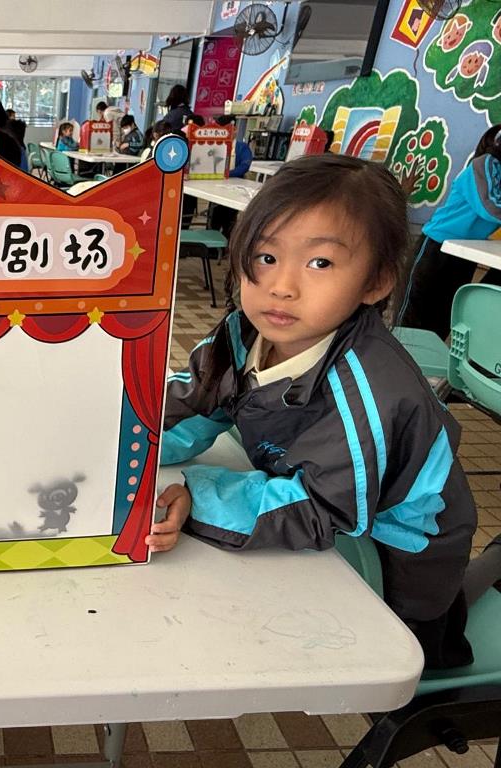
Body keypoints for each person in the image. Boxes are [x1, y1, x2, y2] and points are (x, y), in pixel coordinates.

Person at [143, 154, 498, 671]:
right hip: (329, 502)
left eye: (320, 263)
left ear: (376, 282)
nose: (282, 286)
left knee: (394, 658)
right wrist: (126, 436)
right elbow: (195, 401)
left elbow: (321, 508)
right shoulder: (244, 331)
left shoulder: (374, 392)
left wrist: (198, 497)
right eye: (266, 256)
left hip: (399, 548)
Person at [396, 125, 501, 339]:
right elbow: (490, 205)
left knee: (443, 318)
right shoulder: (485, 165)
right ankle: (398, 357)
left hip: (466, 252)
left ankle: (429, 360)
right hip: (437, 246)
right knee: (412, 318)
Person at [210, 114, 254, 237]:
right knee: (214, 216)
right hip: (215, 186)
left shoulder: (242, 147)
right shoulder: (214, 145)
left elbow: (245, 165)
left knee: (230, 218)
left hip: (235, 186)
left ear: (235, 129)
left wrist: (228, 174)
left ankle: (227, 240)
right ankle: (211, 239)